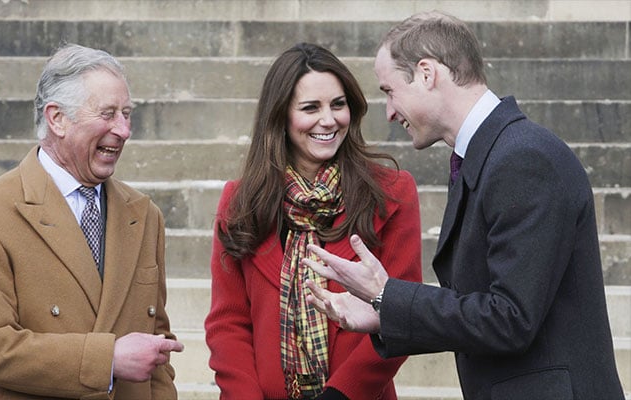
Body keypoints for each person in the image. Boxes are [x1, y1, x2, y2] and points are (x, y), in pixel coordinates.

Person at [303, 11, 625, 400]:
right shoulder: (489, 155)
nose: (388, 111)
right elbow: (482, 312)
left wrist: (388, 295)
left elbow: (510, 319)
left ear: (426, 73)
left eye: (389, 90)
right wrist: (385, 314)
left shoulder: (523, 158)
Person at [0, 43, 184, 400]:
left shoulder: (144, 215)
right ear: (57, 119)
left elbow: (157, 348)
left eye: (127, 114)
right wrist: (107, 359)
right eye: (108, 113)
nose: (124, 129)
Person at [204, 42, 422, 400]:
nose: (328, 120)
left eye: (338, 105)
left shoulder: (393, 194)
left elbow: (401, 318)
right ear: (281, 117)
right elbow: (228, 324)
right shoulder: (240, 202)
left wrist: (341, 394)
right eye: (310, 108)